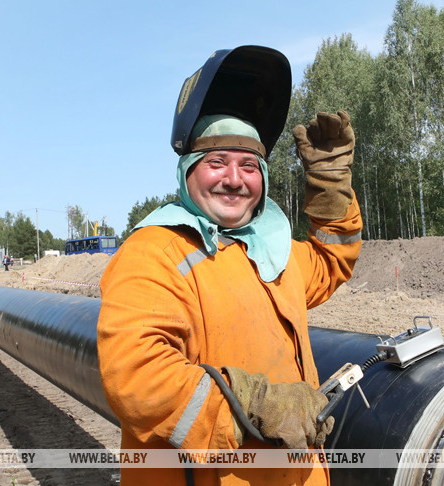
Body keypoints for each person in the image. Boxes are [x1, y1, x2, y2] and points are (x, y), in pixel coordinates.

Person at [97, 46, 362, 485]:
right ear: (188, 173)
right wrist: (252, 403)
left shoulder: (269, 250)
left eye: (248, 166)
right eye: (216, 163)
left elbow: (331, 259)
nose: (234, 179)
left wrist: (329, 189)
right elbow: (136, 376)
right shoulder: (155, 252)